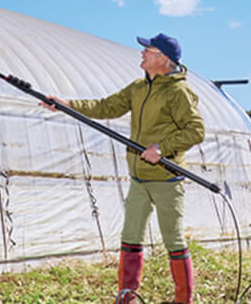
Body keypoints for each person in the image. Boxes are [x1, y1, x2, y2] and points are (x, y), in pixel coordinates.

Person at [40, 33, 204, 304]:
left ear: (163, 58)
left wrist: (162, 148)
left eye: (147, 50)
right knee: (130, 238)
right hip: (138, 178)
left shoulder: (179, 92)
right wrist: (66, 105)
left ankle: (183, 300)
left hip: (166, 179)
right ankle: (126, 297)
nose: (141, 54)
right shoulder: (138, 89)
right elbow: (106, 106)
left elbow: (196, 130)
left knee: (173, 240)